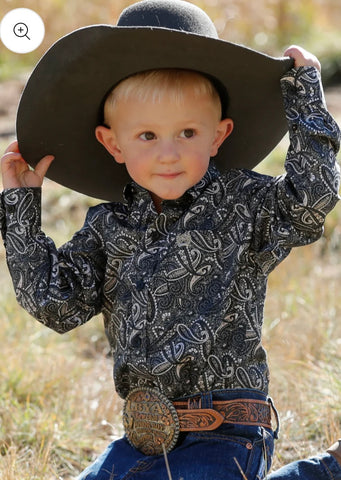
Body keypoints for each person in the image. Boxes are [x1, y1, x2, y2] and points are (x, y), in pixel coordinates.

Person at [1, 1, 340, 479]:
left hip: (227, 430)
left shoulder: (243, 204)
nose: (169, 154)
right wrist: (20, 208)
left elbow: (312, 200)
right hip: (140, 438)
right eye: (146, 135)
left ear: (218, 135)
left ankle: (326, 471)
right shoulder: (107, 227)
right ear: (112, 143)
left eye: (187, 132)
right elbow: (54, 304)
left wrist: (305, 95)